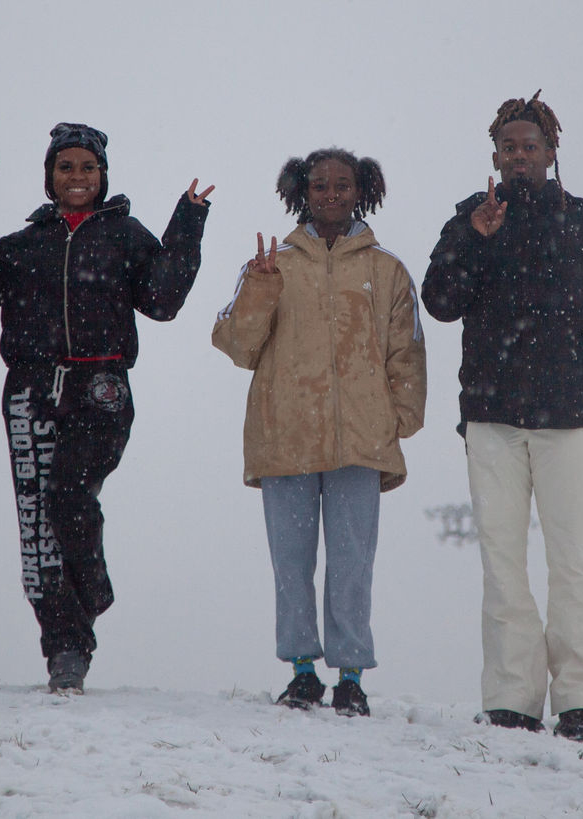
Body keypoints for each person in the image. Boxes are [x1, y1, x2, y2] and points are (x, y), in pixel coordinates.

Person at [0, 123, 213, 693]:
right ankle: (66, 650)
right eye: (65, 167)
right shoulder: (26, 243)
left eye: (87, 168)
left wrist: (189, 222)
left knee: (68, 495)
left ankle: (92, 589)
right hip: (30, 389)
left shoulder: (124, 236)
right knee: (36, 531)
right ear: (49, 177)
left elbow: (162, 300)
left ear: (103, 176)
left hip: (102, 386)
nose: (77, 177)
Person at [421, 91, 583, 743]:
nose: (519, 156)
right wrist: (473, 241)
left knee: (572, 557)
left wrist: (573, 373)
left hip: (565, 416)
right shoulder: (471, 218)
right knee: (502, 557)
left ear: (550, 151)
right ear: (495, 155)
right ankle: (512, 696)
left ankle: (581, 701)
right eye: (508, 148)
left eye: (529, 146)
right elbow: (440, 301)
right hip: (489, 415)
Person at [212, 149, 426, 716]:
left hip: (361, 440)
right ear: (301, 192)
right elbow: (236, 346)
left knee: (354, 561)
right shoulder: (269, 264)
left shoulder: (387, 269)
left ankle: (351, 675)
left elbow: (407, 351)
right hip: (284, 435)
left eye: (343, 184)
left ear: (362, 190)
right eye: (321, 185)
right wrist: (259, 289)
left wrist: (398, 420)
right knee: (292, 559)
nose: (331, 193)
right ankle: (303, 671)